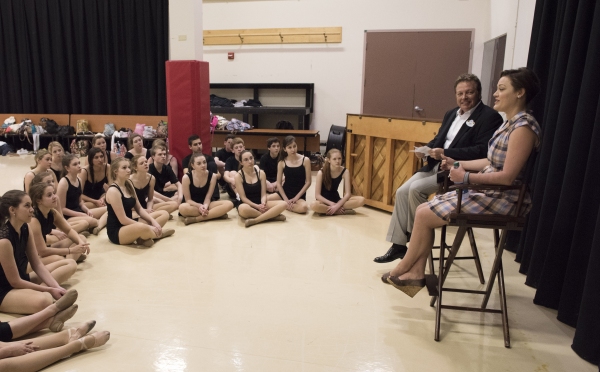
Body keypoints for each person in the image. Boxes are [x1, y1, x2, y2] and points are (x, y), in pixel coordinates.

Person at [382, 68, 542, 297]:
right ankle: (415, 270)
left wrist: (465, 177)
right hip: (489, 190)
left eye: (501, 89)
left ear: (520, 93)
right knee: (421, 209)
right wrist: (457, 162)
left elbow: (507, 177)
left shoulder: (523, 128)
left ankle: (404, 268)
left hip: (504, 198)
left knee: (424, 213)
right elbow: (490, 160)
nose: (495, 93)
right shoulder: (511, 123)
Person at [374, 73, 504, 264]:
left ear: (479, 93)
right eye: (460, 93)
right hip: (436, 166)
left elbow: (482, 150)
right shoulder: (451, 114)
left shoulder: (489, 117)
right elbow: (439, 140)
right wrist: (426, 150)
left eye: (469, 92)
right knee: (402, 191)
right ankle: (399, 246)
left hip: (460, 170)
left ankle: (418, 243)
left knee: (416, 190)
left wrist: (445, 152)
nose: (464, 97)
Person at [0, 190, 77, 315]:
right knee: (44, 300)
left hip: (22, 278)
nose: (31, 209)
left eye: (31, 205)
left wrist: (56, 287)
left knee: (70, 263)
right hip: (4, 290)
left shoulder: (25, 227)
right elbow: (14, 281)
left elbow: (37, 264)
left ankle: (48, 298)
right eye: (27, 206)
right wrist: (48, 289)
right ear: (12, 210)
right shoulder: (4, 240)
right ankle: (47, 306)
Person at [105, 157, 175, 247]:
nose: (128, 170)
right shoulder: (113, 191)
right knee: (142, 227)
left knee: (164, 214)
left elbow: (140, 209)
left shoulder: (129, 184)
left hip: (131, 224)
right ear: (115, 171)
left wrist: (154, 222)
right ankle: (157, 235)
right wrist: (148, 226)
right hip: (117, 230)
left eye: (129, 167)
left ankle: (144, 237)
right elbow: (123, 220)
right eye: (124, 168)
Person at [28, 182, 90, 264]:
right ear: (39, 201)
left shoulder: (52, 212)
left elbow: (69, 230)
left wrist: (80, 243)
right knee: (59, 259)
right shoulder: (34, 220)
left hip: (46, 247)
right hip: (32, 256)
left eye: (54, 193)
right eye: (49, 195)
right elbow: (42, 251)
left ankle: (69, 261)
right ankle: (69, 261)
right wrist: (71, 250)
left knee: (81, 238)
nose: (55, 197)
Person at [56, 154, 107, 235]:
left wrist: (87, 210)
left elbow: (80, 202)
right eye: (75, 164)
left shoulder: (79, 179)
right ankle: (92, 226)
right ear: (67, 168)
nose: (79, 166)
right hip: (68, 216)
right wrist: (80, 214)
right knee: (91, 221)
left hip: (79, 211)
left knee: (108, 209)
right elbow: (62, 209)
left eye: (79, 163)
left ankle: (96, 227)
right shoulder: (63, 182)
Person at [235, 150, 287, 227]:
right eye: (246, 160)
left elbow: (263, 194)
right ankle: (272, 217)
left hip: (261, 201)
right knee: (243, 209)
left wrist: (262, 204)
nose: (250, 161)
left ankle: (256, 220)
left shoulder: (261, 173)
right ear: (241, 162)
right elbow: (243, 198)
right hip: (247, 204)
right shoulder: (238, 176)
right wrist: (257, 206)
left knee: (284, 204)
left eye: (251, 158)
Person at [180, 153, 234, 225]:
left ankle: (197, 219)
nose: (203, 165)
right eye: (199, 163)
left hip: (207, 204)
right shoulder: (186, 178)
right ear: (193, 165)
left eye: (204, 162)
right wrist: (199, 206)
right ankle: (215, 215)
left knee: (229, 204)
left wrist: (205, 206)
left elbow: (208, 198)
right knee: (182, 208)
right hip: (193, 205)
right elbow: (188, 200)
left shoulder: (212, 176)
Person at [30, 173, 89, 237]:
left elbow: (61, 218)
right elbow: (39, 235)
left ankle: (75, 234)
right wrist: (53, 231)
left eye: (52, 181)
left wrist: (68, 229)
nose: (52, 183)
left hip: (57, 227)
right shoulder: (34, 213)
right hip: (47, 234)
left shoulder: (54, 204)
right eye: (48, 182)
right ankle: (75, 234)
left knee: (84, 224)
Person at [310, 149, 365, 215]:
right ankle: (337, 211)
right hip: (324, 202)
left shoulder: (345, 171)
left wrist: (337, 205)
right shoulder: (321, 173)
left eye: (339, 158)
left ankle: (330, 210)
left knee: (362, 200)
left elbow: (348, 194)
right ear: (329, 160)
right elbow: (317, 195)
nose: (337, 161)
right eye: (334, 159)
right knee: (313, 205)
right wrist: (332, 204)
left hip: (337, 200)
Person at [268, 136, 312, 214]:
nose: (293, 149)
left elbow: (308, 182)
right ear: (285, 149)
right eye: (290, 147)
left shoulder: (305, 160)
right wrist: (285, 199)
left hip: (299, 195)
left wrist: (296, 198)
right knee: (265, 200)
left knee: (304, 208)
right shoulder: (281, 162)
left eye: (294, 146)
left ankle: (282, 206)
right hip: (285, 192)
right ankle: (284, 204)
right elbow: (278, 183)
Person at [181, 135, 220, 201]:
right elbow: (186, 173)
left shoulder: (209, 158)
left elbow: (218, 175)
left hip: (208, 183)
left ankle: (213, 197)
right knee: (183, 207)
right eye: (195, 144)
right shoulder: (186, 160)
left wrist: (206, 176)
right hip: (194, 185)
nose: (199, 146)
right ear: (190, 147)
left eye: (200, 143)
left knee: (212, 164)